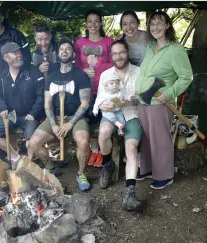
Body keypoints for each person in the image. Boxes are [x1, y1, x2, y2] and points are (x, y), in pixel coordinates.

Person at [135, 11, 193, 189]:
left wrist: (168, 93)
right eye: (152, 24)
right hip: (143, 101)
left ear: (167, 25)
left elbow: (186, 77)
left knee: (160, 138)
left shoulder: (175, 50)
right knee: (145, 137)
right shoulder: (151, 47)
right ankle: (147, 168)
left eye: (159, 23)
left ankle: (165, 175)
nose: (155, 27)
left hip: (160, 103)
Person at [28, 38, 92, 191]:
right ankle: (51, 167)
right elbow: (47, 104)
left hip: (76, 117)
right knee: (33, 143)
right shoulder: (51, 77)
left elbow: (85, 103)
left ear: (73, 54)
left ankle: (81, 173)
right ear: (57, 54)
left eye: (68, 49)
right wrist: (54, 125)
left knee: (83, 142)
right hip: (55, 117)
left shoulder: (81, 75)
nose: (64, 51)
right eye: (61, 49)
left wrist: (70, 123)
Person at [97, 40, 143, 211]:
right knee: (103, 132)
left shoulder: (139, 72)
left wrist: (134, 99)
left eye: (121, 52)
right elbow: (100, 100)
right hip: (111, 114)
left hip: (131, 114)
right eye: (115, 54)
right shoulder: (105, 74)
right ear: (111, 55)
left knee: (131, 148)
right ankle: (107, 165)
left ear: (127, 52)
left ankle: (129, 193)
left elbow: (145, 97)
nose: (118, 56)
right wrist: (103, 106)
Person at [0, 42, 45, 165]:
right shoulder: (0, 75)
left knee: (30, 141)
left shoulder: (33, 71)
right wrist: (2, 107)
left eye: (19, 51)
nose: (19, 55)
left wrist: (34, 113)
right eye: (14, 53)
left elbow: (42, 96)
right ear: (6, 58)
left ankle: (29, 165)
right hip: (11, 115)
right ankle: (16, 158)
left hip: (29, 116)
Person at [75, 9, 114, 168]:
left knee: (103, 121)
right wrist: (83, 71)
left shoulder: (108, 42)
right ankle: (95, 150)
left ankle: (103, 152)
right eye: (89, 21)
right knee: (89, 120)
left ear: (101, 23)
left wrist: (99, 64)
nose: (93, 24)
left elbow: (115, 64)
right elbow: (75, 65)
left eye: (96, 21)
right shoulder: (79, 43)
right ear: (86, 23)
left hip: (105, 89)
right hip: (86, 89)